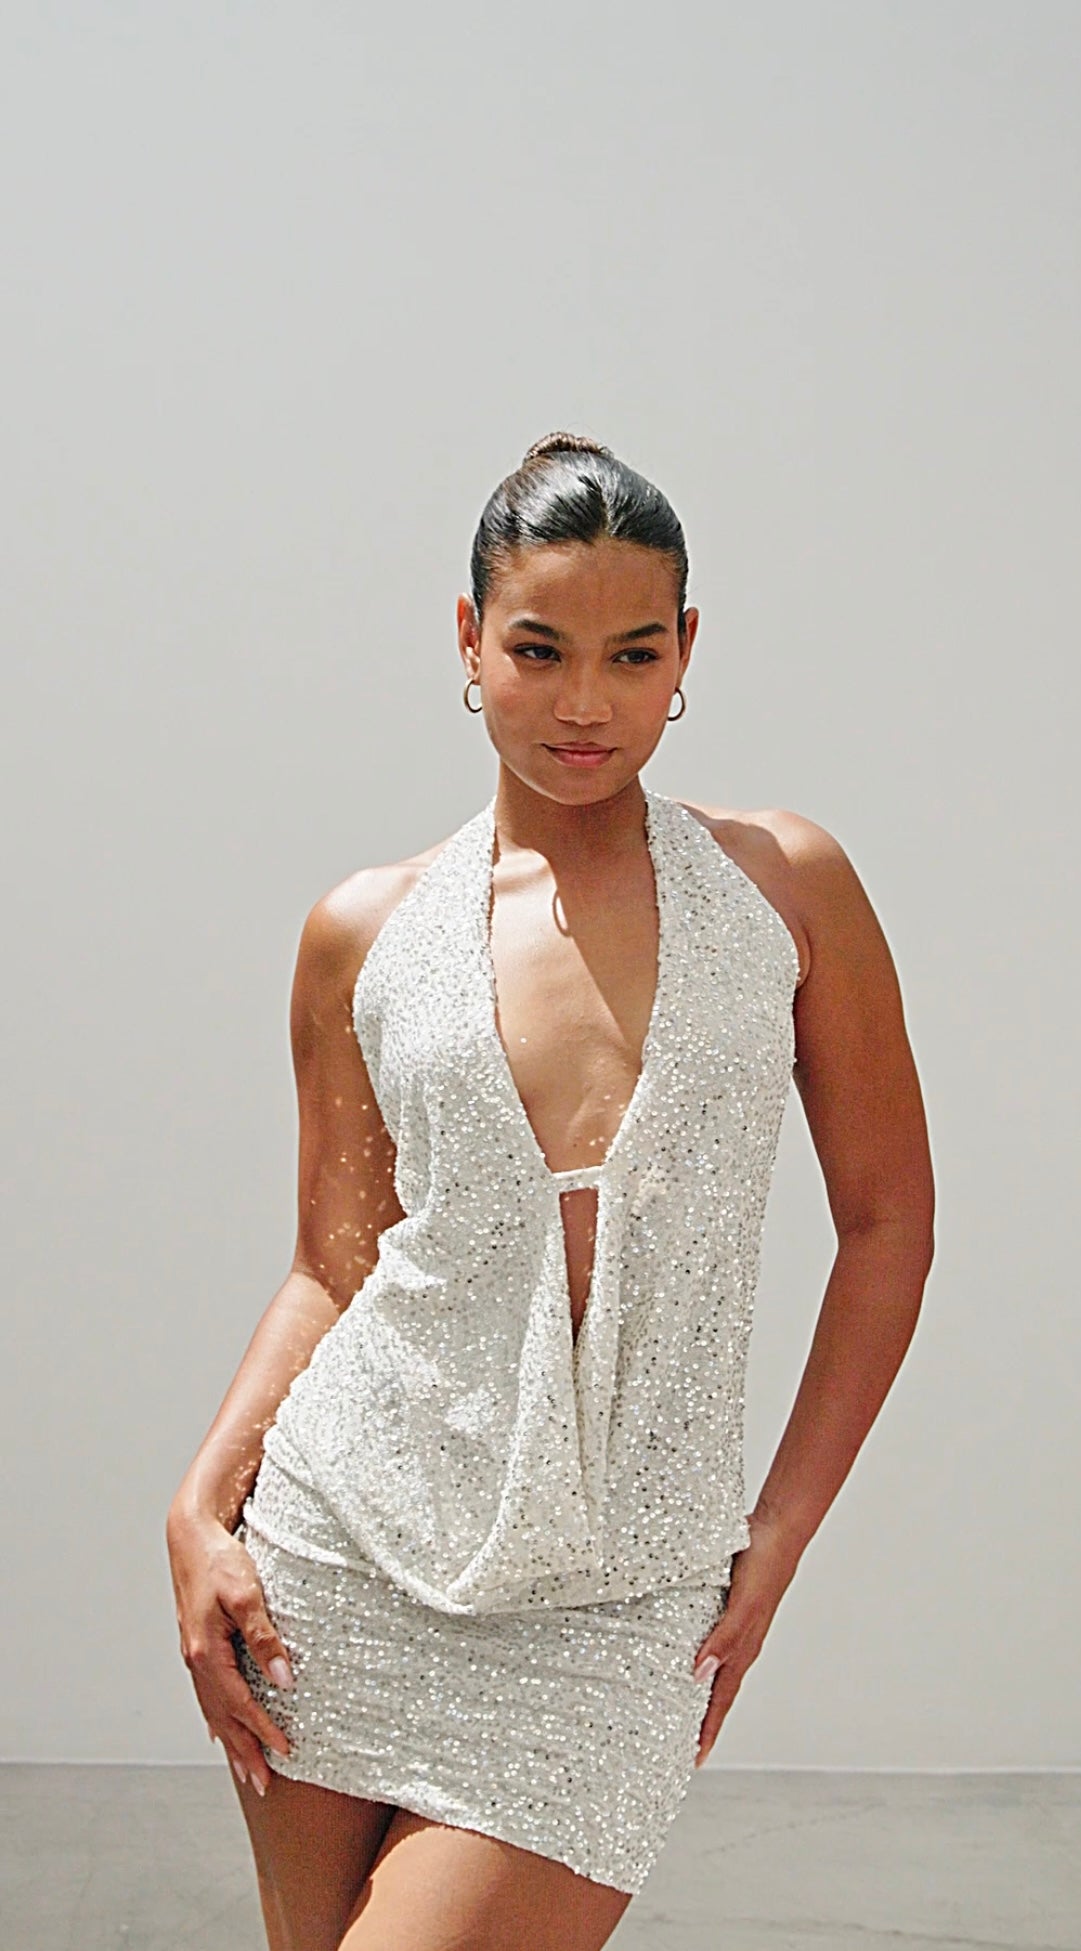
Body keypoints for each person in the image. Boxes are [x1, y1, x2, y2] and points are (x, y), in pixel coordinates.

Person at [166, 431, 935, 1951]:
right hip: (341, 1561)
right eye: (538, 650)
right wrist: (200, 1505)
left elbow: (888, 1224)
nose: (586, 702)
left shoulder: (785, 891)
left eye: (632, 654)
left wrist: (777, 1532)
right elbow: (333, 1265)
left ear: (685, 651)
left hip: (620, 1601)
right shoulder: (365, 931)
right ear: (469, 640)